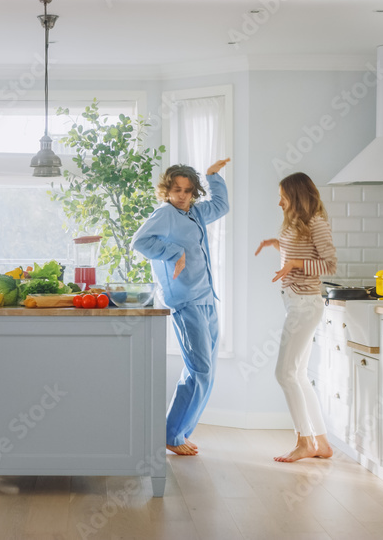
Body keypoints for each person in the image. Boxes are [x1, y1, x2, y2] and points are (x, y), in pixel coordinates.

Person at [132, 159, 230, 456]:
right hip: (186, 300)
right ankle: (171, 434)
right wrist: (174, 251)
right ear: (167, 190)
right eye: (177, 189)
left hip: (207, 298)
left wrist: (213, 176)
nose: (183, 195)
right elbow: (140, 241)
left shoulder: (195, 213)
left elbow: (222, 206)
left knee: (207, 371)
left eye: (188, 190)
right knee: (199, 369)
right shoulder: (164, 214)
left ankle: (180, 432)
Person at [254, 172, 336, 463]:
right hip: (295, 303)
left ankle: (304, 441)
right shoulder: (297, 224)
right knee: (297, 375)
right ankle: (322, 442)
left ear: (297, 197)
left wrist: (294, 263)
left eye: (283, 197)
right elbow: (299, 252)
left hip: (305, 305)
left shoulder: (317, 223)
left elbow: (329, 265)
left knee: (284, 373)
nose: (279, 203)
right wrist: (277, 244)